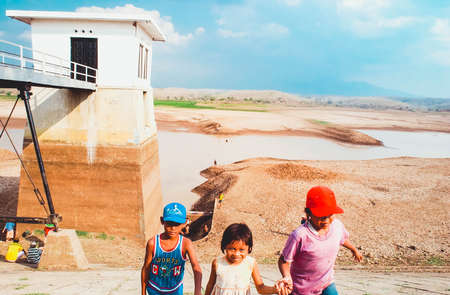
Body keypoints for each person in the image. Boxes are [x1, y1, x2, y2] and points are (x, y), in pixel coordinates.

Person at [278, 186, 362, 295]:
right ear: (308, 214)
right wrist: (287, 277)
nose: (326, 220)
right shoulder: (300, 236)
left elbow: (341, 239)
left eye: (330, 215)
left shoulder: (337, 226)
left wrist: (354, 249)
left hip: (326, 282)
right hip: (302, 289)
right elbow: (283, 261)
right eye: (321, 216)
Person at [205, 223, 284, 295]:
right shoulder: (217, 263)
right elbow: (210, 285)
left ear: (249, 248)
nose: (236, 254)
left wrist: (274, 290)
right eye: (232, 249)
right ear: (224, 246)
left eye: (241, 250)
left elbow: (260, 288)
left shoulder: (250, 263)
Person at [141, 202, 202, 295]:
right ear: (162, 221)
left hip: (175, 290)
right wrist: (143, 292)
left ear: (185, 223)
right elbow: (146, 268)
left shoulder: (185, 244)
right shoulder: (153, 243)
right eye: (169, 224)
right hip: (154, 289)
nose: (173, 228)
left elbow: (196, 267)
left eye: (177, 224)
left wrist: (198, 291)